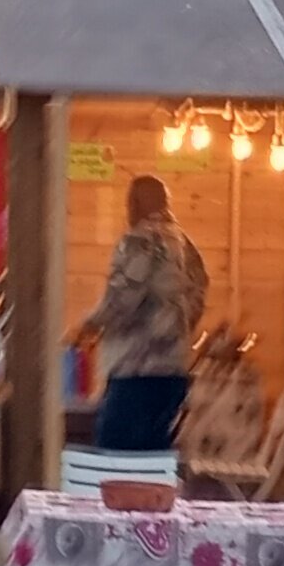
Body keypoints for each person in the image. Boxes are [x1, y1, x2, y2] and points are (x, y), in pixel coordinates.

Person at [76, 174, 209, 452]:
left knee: (116, 457)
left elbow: (123, 297)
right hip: (173, 370)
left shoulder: (139, 240)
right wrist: (177, 328)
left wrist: (86, 327)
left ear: (134, 204)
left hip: (136, 370)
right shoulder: (184, 243)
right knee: (153, 458)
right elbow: (200, 289)